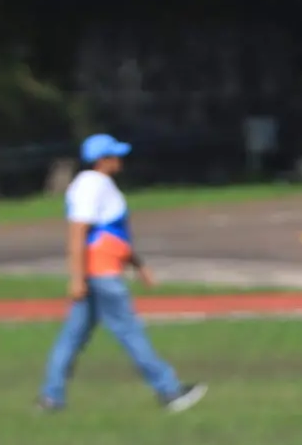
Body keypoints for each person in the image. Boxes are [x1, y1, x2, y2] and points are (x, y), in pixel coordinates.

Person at [37, 133, 207, 413]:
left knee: (73, 336)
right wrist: (77, 277)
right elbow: (78, 233)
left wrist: (138, 267)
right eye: (115, 155)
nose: (120, 160)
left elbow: (114, 237)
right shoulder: (92, 185)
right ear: (102, 160)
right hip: (101, 275)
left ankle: (51, 396)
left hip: (100, 272)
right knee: (129, 332)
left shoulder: (99, 185)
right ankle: (169, 391)